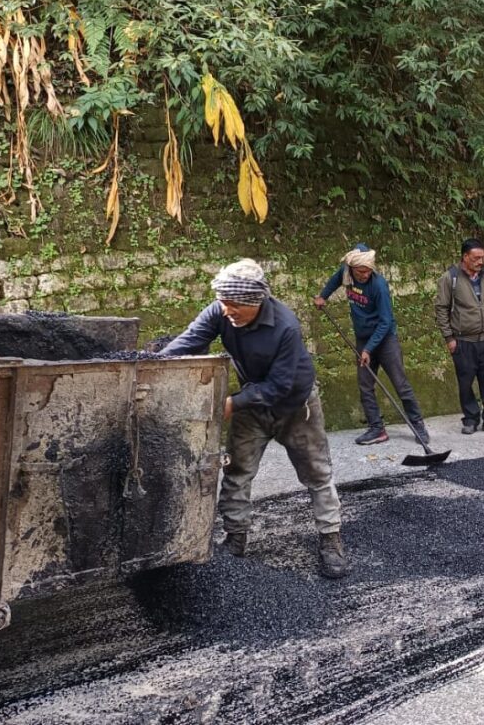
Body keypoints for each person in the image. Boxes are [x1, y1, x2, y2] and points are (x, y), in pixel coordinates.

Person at [160, 259, 348, 579]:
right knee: (237, 471)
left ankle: (330, 539)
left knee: (317, 472)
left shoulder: (286, 326)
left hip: (295, 407)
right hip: (251, 405)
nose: (227, 311)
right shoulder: (221, 311)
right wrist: (151, 366)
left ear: (256, 302)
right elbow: (188, 343)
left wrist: (230, 404)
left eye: (235, 305)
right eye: (223, 303)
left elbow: (279, 386)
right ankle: (234, 539)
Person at [314, 243, 431, 446]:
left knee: (400, 384)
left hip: (385, 340)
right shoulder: (346, 274)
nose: (365, 275)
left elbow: (386, 322)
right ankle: (377, 428)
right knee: (365, 385)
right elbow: (334, 281)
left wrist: (368, 349)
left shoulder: (379, 286)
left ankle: (418, 424)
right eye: (361, 271)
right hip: (363, 338)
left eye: (368, 271)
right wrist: (322, 297)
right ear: (351, 268)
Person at [434, 238, 484, 436]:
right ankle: (470, 419)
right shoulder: (450, 278)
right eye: (476, 258)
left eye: (482, 257)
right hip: (463, 341)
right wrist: (449, 338)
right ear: (465, 257)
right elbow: (441, 308)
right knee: (466, 383)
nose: (480, 261)